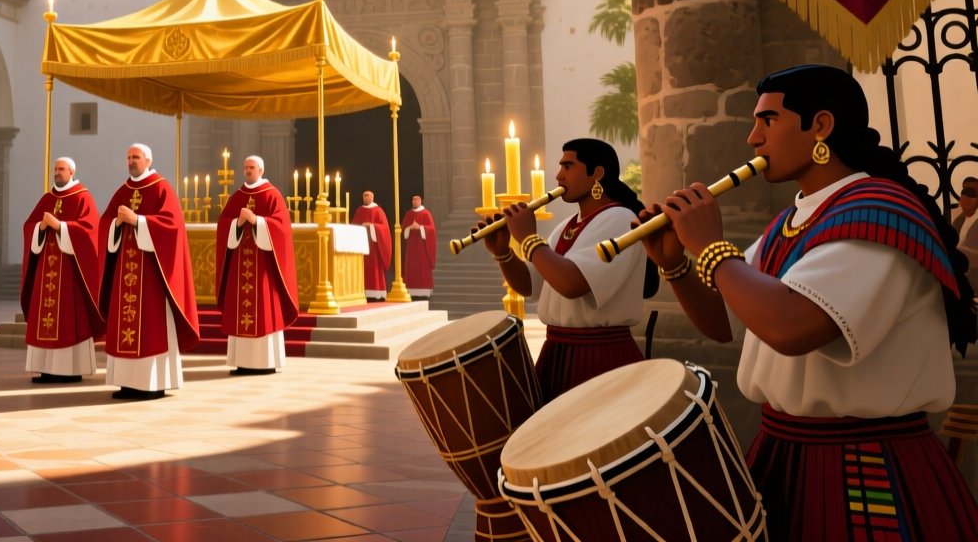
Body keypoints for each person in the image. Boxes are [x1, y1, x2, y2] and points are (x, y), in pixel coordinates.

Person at [643, 65, 978, 540]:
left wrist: (710, 248)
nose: (753, 139)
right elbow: (729, 322)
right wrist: (675, 266)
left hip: (864, 468)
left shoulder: (879, 214)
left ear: (820, 126)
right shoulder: (795, 220)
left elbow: (791, 327)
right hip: (783, 454)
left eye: (769, 121)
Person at [477, 137, 645, 402]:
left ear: (597, 174)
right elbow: (531, 285)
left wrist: (528, 239)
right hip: (557, 353)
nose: (558, 176)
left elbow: (572, 284)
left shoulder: (622, 219)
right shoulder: (566, 225)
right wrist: (504, 252)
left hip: (600, 357)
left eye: (568, 166)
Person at [98, 143, 198, 400]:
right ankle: (126, 383)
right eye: (128, 157)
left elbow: (172, 227)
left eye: (136, 157)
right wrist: (117, 224)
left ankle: (152, 384)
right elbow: (105, 224)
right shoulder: (123, 191)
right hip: (125, 275)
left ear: (148, 160)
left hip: (152, 277)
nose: (131, 161)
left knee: (151, 329)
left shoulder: (161, 188)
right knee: (125, 325)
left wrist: (139, 221)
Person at [21, 156, 105, 383]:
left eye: (61, 169)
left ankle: (70, 370)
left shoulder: (82, 198)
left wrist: (61, 227)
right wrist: (40, 227)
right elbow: (29, 226)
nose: (56, 173)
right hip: (46, 272)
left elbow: (90, 232)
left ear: (71, 172)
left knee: (69, 319)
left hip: (70, 274)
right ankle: (45, 369)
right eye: (55, 169)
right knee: (45, 319)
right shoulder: (48, 198)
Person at [215, 155, 298, 375]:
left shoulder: (272, 195)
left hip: (263, 269)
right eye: (246, 168)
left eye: (252, 168)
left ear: (261, 170)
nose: (248, 171)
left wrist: (257, 221)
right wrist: (237, 224)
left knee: (264, 310)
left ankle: (264, 362)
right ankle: (242, 362)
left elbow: (281, 228)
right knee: (240, 311)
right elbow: (223, 226)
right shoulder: (237, 197)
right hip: (240, 269)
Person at [352, 190, 392, 301]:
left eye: (368, 195)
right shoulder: (359, 210)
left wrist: (372, 226)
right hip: (362, 245)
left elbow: (385, 229)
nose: (365, 198)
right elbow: (354, 226)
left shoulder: (378, 211)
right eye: (364, 196)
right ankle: (363, 291)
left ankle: (377, 292)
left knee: (375, 269)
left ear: (372, 197)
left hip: (374, 247)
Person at [400, 195, 437, 299]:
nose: (414, 201)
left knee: (422, 268)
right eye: (413, 199)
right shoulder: (409, 214)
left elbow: (431, 230)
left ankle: (423, 293)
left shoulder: (426, 213)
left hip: (422, 249)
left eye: (417, 199)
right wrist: (410, 228)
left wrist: (420, 227)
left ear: (421, 201)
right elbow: (403, 230)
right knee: (411, 267)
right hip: (411, 248)